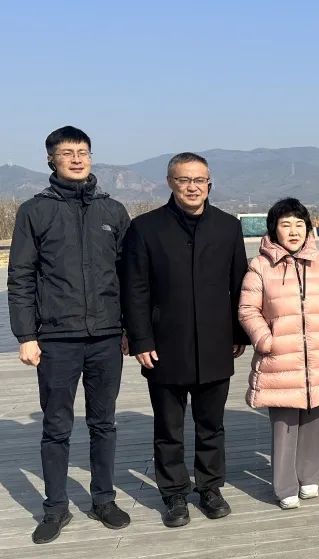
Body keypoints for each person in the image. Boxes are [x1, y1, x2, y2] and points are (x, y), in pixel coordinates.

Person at [8, 125, 131, 544]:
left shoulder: (112, 211)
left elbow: (130, 277)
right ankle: (55, 508)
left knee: (104, 422)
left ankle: (103, 499)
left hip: (106, 336)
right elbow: (21, 277)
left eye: (83, 152)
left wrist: (131, 330)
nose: (76, 159)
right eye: (67, 153)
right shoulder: (34, 211)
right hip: (57, 338)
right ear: (51, 159)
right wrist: (26, 335)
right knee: (56, 426)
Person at [121, 152, 248, 527]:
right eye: (184, 180)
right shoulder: (146, 228)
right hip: (164, 344)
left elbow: (240, 283)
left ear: (209, 183)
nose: (193, 187)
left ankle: (210, 487)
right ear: (170, 183)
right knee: (168, 426)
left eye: (199, 180)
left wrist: (239, 332)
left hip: (215, 342)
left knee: (212, 425)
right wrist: (141, 339)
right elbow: (135, 289)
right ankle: (174, 493)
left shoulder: (227, 226)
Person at [239, 198, 319, 509]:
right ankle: (285, 485)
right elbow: (248, 309)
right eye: (285, 224)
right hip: (280, 355)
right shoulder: (261, 265)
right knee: (284, 424)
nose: (293, 231)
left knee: (317, 417)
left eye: (299, 224)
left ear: (308, 228)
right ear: (273, 229)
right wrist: (265, 339)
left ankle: (311, 476)